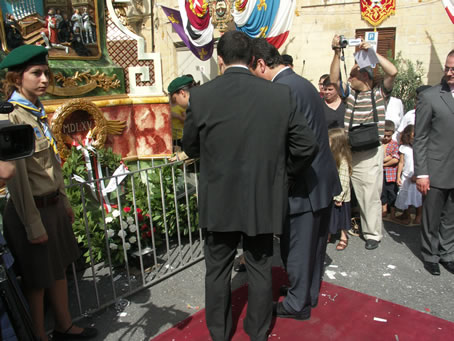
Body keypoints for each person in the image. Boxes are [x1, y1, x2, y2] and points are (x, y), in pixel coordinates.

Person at [182, 31, 318, 341]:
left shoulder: (202, 97)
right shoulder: (278, 94)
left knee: (217, 270)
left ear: (220, 61)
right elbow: (306, 146)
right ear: (252, 59)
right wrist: (283, 176)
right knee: (259, 268)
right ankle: (257, 332)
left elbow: (190, 146)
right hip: (261, 198)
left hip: (219, 199)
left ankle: (219, 333)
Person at [0, 45, 97, 341]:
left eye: (46, 73)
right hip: (32, 209)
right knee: (37, 280)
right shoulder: (11, 118)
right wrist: (32, 223)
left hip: (51, 205)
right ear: (18, 78)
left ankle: (64, 326)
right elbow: (17, 181)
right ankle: (38, 336)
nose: (44, 79)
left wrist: (64, 200)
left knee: (59, 269)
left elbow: (52, 163)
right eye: (36, 73)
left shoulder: (37, 111)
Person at [250, 38, 340, 321]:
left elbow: (294, 144)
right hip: (321, 179)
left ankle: (296, 304)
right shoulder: (301, 83)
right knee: (313, 246)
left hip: (303, 185)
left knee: (298, 247)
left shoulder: (281, 89)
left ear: (262, 64)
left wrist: (283, 176)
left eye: (252, 71)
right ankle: (307, 293)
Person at [330, 34, 398, 250]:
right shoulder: (350, 95)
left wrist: (372, 54)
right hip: (350, 149)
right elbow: (334, 80)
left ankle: (372, 234)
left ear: (365, 76)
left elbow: (393, 72)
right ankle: (340, 227)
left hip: (369, 152)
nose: (348, 79)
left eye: (352, 75)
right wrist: (336, 53)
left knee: (369, 194)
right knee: (342, 190)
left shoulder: (379, 93)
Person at [414, 49, 454, 276]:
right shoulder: (430, 96)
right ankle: (430, 254)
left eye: (453, 69)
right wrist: (422, 172)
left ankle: (447, 253)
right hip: (436, 168)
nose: (449, 73)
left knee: (451, 216)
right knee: (432, 216)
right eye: (447, 68)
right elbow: (420, 137)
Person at [327, 128, 352, 251]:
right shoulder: (331, 156)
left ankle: (344, 236)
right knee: (331, 216)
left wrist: (339, 196)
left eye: (330, 141)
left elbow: (344, 181)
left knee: (343, 218)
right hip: (332, 194)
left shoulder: (342, 160)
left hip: (341, 196)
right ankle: (329, 233)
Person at [393, 125, 422, 225]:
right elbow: (401, 163)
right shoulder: (404, 148)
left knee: (418, 197)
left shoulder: (421, 148)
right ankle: (406, 215)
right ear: (407, 136)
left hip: (417, 176)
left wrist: (418, 175)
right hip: (406, 177)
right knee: (406, 196)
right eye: (412, 136)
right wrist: (398, 176)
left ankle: (418, 216)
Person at [167, 75, 195, 151]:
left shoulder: (194, 107)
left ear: (182, 93)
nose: (176, 102)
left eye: (175, 99)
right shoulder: (194, 103)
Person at [381, 120, 400, 220]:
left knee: (392, 192)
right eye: (385, 135)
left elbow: (395, 159)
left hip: (390, 173)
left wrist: (383, 163)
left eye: (389, 136)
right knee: (382, 192)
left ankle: (392, 211)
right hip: (381, 173)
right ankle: (384, 209)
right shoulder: (380, 143)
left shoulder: (394, 144)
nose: (386, 138)